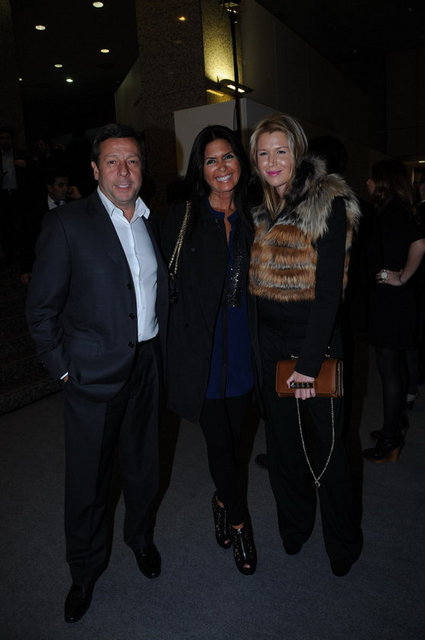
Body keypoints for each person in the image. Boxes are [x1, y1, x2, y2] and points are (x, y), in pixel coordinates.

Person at [26, 123, 168, 623]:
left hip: (147, 366)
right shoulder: (67, 223)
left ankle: (140, 538)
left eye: (132, 161)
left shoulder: (152, 220)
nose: (123, 171)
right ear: (94, 169)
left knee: (144, 468)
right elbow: (41, 309)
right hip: (90, 376)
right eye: (112, 161)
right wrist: (64, 372)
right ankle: (84, 572)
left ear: (142, 168)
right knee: (88, 483)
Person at [249, 113, 363, 577]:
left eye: (281, 151)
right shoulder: (261, 209)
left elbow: (329, 294)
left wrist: (309, 365)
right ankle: (294, 527)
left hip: (316, 348)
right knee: (283, 449)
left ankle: (343, 542)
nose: (272, 161)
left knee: (331, 452)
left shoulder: (327, 201)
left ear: (297, 152)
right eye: (263, 153)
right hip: (270, 346)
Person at [161, 125, 256, 575]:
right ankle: (239, 522)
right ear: (199, 169)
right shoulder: (182, 217)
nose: (221, 167)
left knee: (237, 443)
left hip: (246, 350)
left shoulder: (257, 215)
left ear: (241, 161)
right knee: (220, 444)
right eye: (211, 160)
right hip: (202, 353)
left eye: (228, 156)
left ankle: (221, 498)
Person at [363, 159, 425, 462]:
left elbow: (420, 244)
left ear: (384, 181)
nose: (368, 183)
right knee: (393, 367)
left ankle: (391, 439)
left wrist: (400, 276)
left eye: (372, 178)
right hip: (396, 300)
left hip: (393, 300)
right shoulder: (397, 209)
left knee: (389, 369)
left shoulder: (393, 212)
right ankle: (394, 427)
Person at [19, 167, 70, 284]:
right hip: (45, 265)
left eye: (66, 185)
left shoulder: (74, 206)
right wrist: (25, 269)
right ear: (50, 188)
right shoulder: (36, 210)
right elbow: (28, 239)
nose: (65, 189)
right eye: (60, 185)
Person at [0, 126, 27, 263]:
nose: (5, 141)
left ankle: (21, 253)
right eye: (2, 138)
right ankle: (8, 254)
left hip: (18, 195)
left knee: (19, 225)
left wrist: (24, 165)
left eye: (8, 138)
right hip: (3, 195)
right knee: (5, 226)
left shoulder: (20, 154)